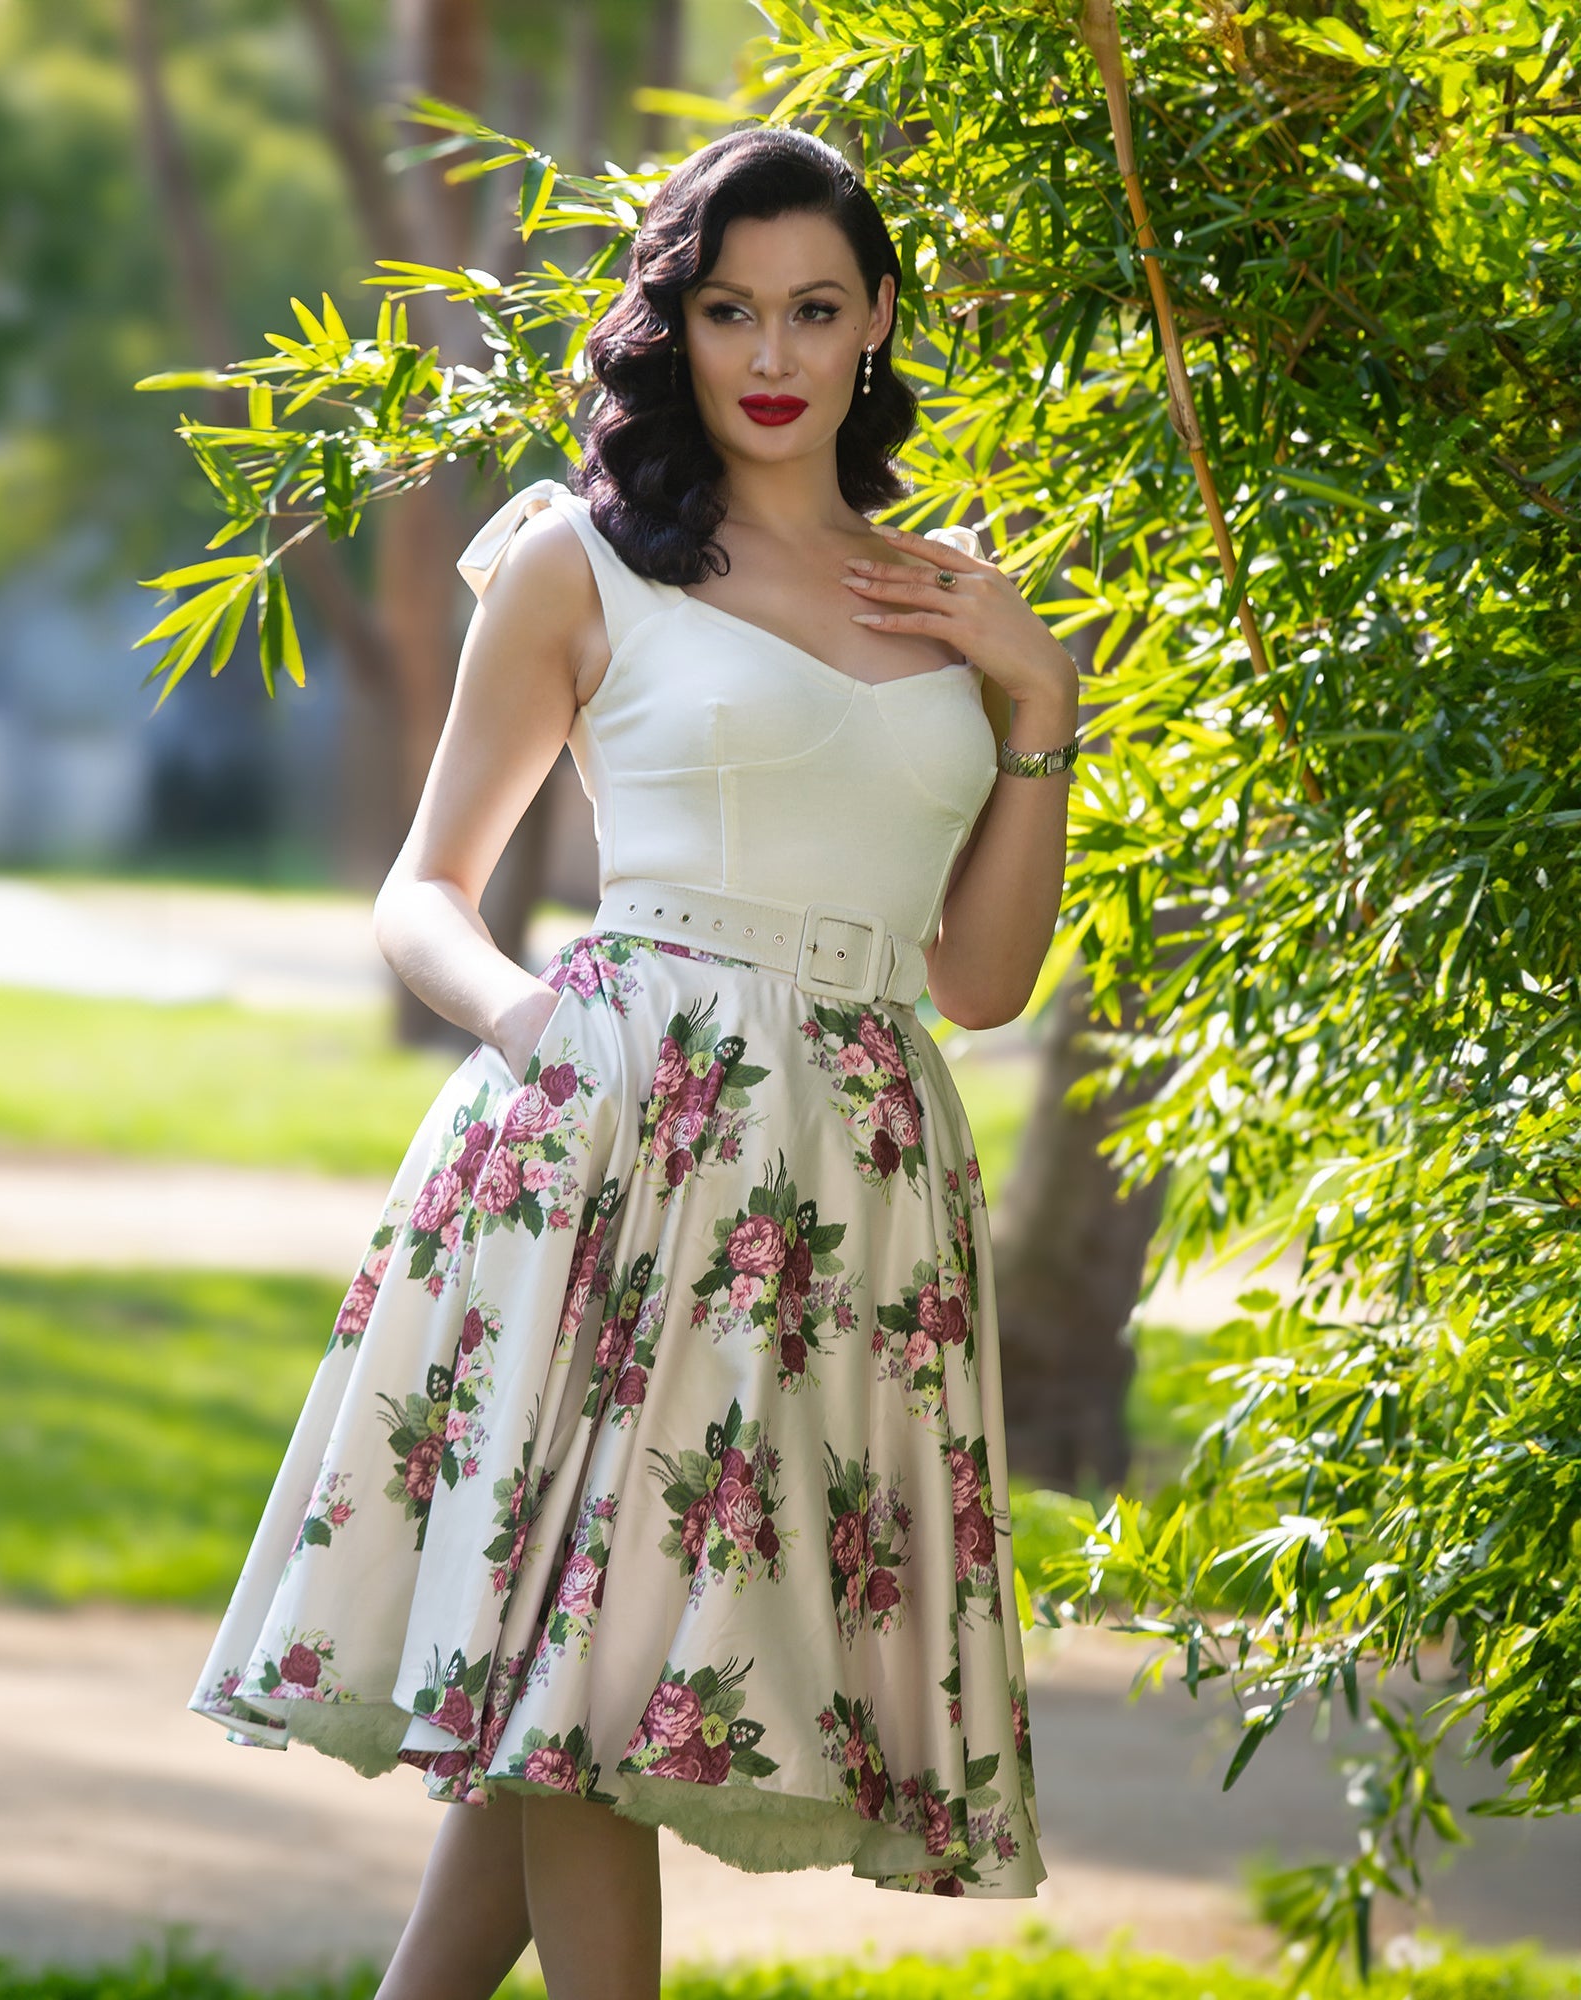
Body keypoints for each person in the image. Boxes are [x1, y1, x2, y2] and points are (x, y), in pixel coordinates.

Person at [188, 124, 1081, 2000]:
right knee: (591, 1673)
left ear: (874, 328)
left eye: (814, 310)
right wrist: (538, 1031)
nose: (771, 352)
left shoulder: (951, 597)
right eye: (729, 307)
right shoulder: (583, 561)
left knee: (593, 1675)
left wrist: (1042, 705)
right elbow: (428, 888)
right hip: (616, 1136)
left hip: (847, 1176)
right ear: (673, 329)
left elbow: (982, 981)